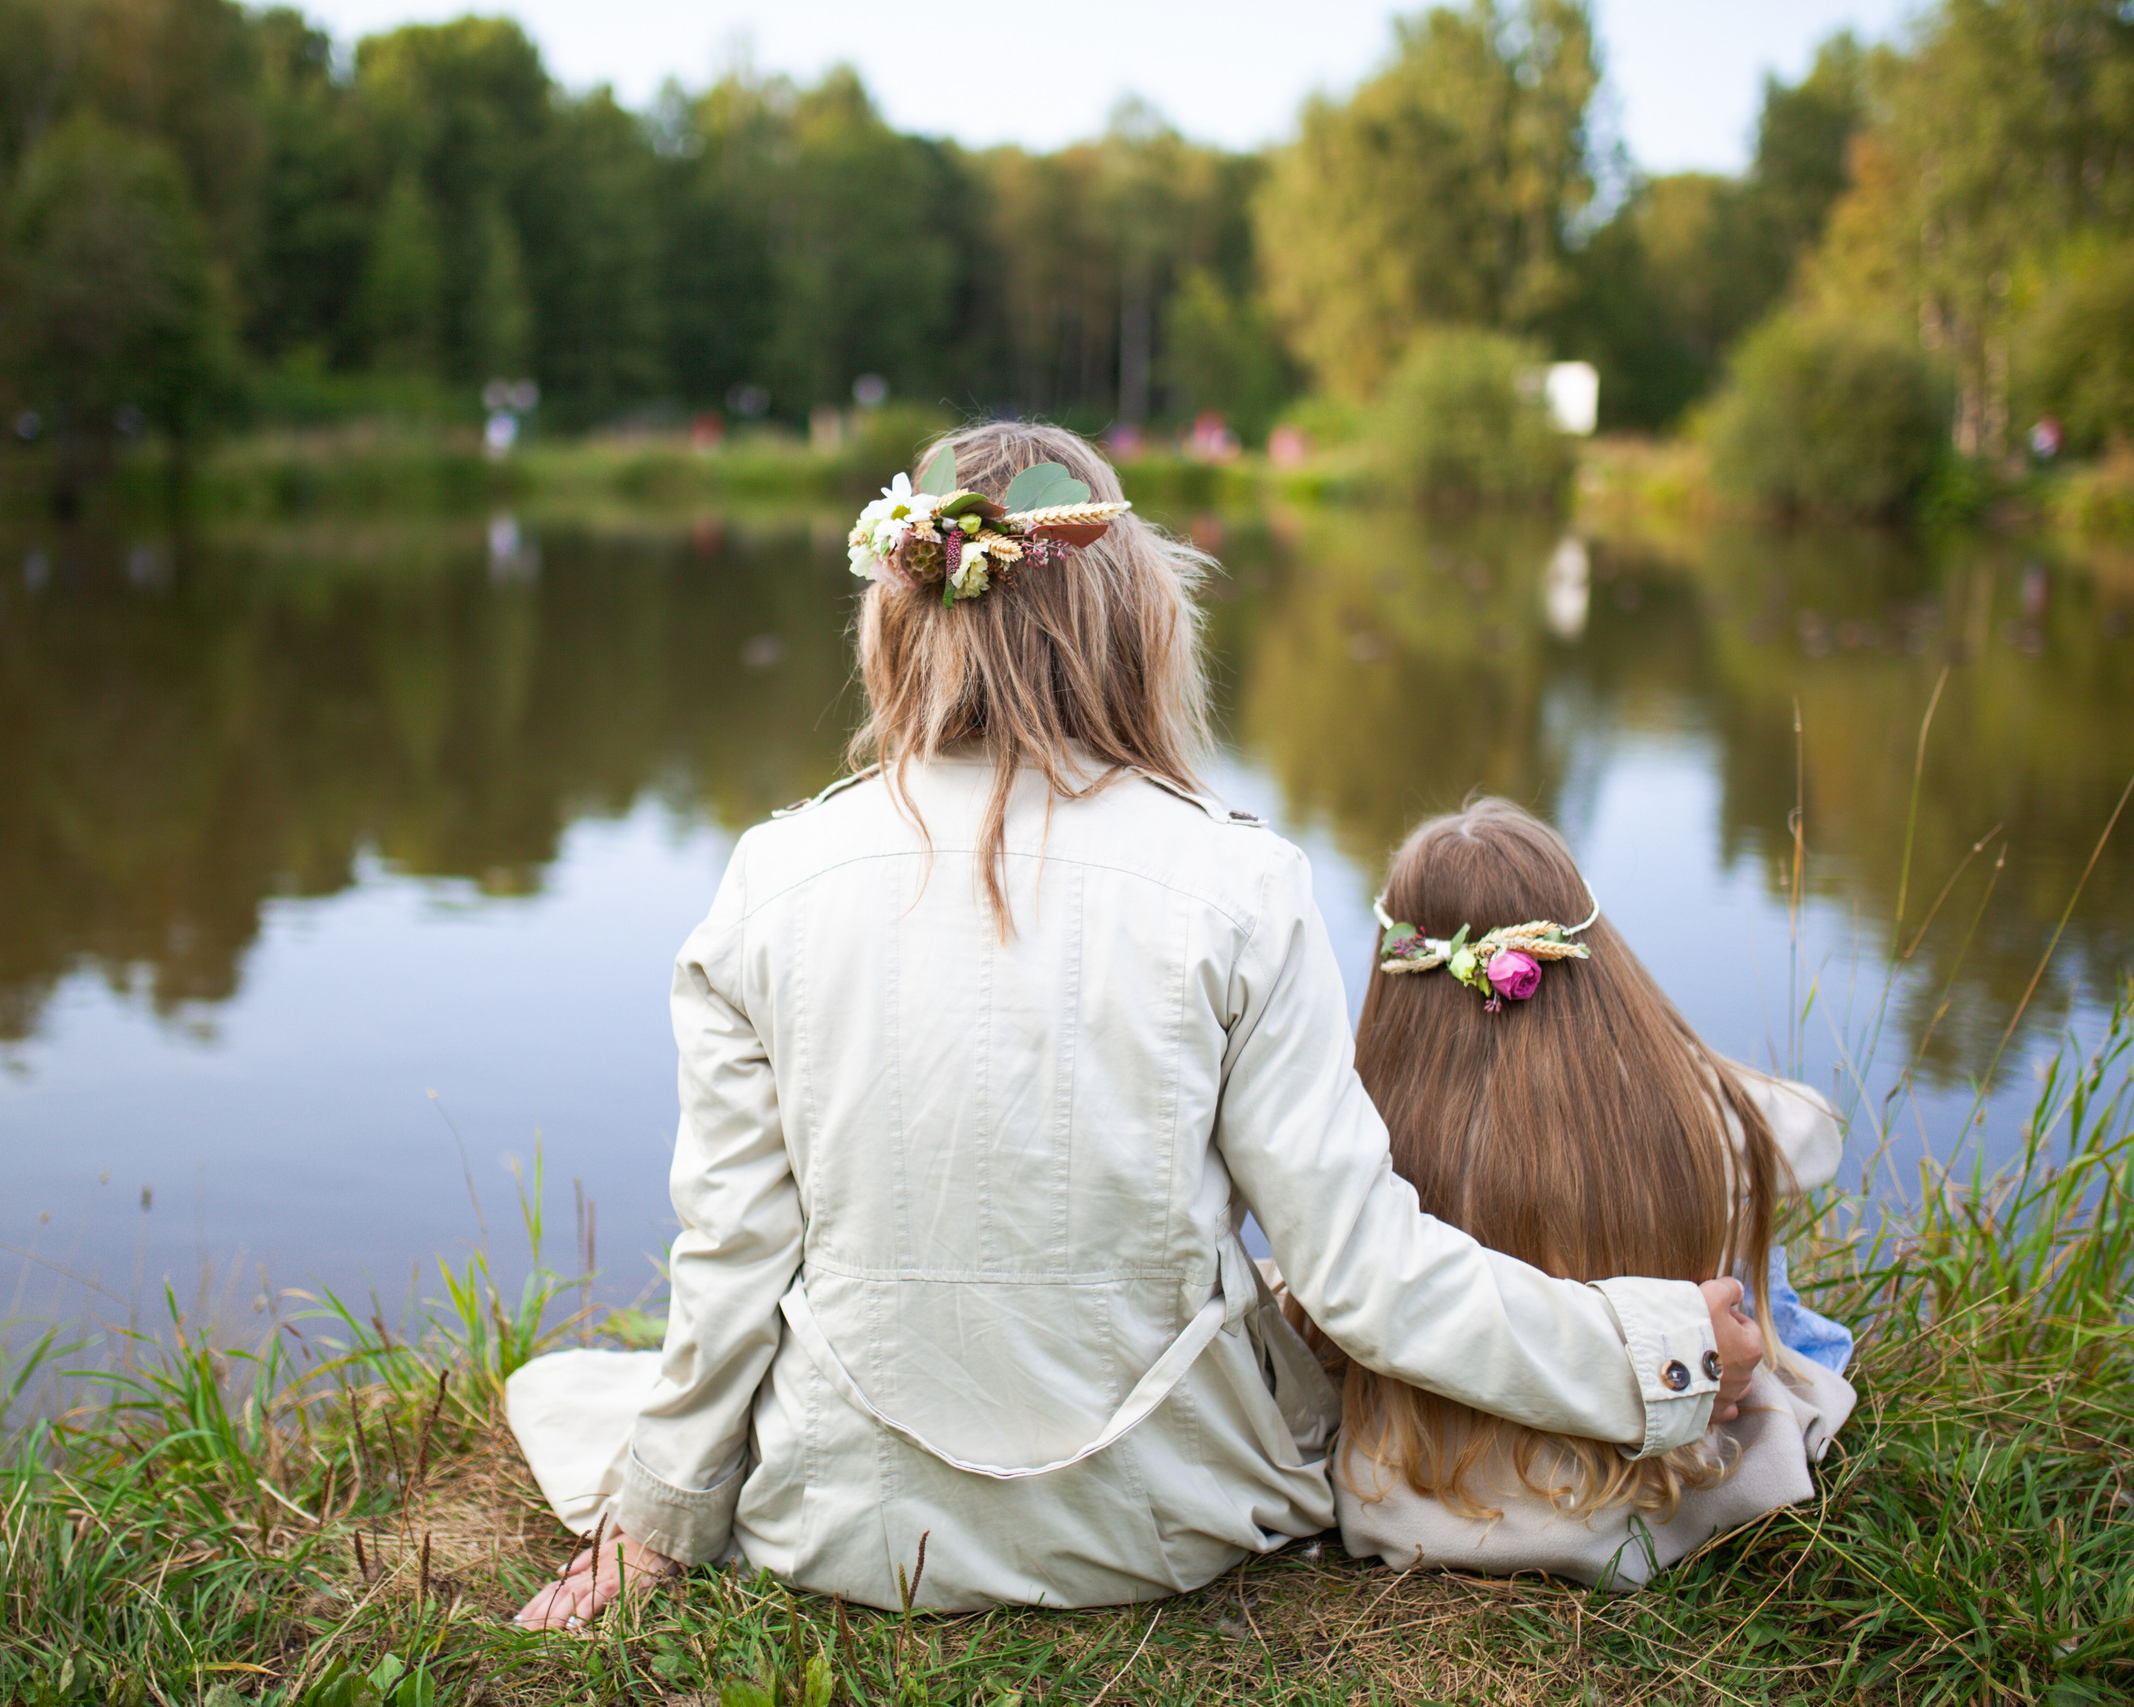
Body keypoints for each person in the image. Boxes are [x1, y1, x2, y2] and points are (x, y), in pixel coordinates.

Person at [510, 423, 1761, 1629]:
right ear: (1131, 617)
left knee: (565, 1392)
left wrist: (657, 1523)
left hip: (845, 1528)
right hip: (1165, 1523)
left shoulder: (769, 880)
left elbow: (734, 1261)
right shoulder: (1240, 884)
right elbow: (1360, 1276)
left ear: (898, 610)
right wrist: (1654, 1353)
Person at [1287, 799, 1855, 1590]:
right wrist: (1677, 1063)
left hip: (1421, 1495)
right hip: (1645, 1490)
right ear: (1589, 946)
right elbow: (1817, 1131)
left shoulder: (1355, 1133)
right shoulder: (1695, 1115)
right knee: (1768, 1286)